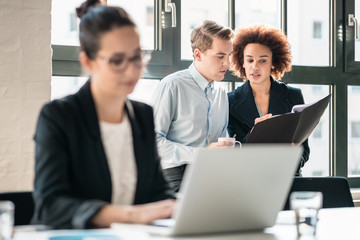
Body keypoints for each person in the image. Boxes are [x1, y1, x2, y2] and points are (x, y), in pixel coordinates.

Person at [32, 0, 175, 229]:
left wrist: (178, 206)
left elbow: (157, 191)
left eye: (137, 56)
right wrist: (132, 215)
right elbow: (50, 206)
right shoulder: (59, 116)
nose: (131, 69)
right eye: (117, 60)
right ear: (88, 62)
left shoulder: (142, 115)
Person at [151, 20, 235, 191]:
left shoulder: (221, 92)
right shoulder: (172, 85)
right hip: (176, 178)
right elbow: (152, 142)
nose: (227, 63)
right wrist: (201, 155)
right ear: (198, 55)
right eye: (220, 56)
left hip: (212, 177)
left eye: (229, 55)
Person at [227, 25, 310, 176]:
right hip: (249, 179)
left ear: (273, 62)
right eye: (250, 60)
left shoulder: (293, 96)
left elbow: (304, 151)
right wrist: (254, 135)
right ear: (242, 62)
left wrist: (291, 154)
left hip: (287, 178)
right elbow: (236, 152)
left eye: (263, 61)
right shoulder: (230, 101)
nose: (255, 67)